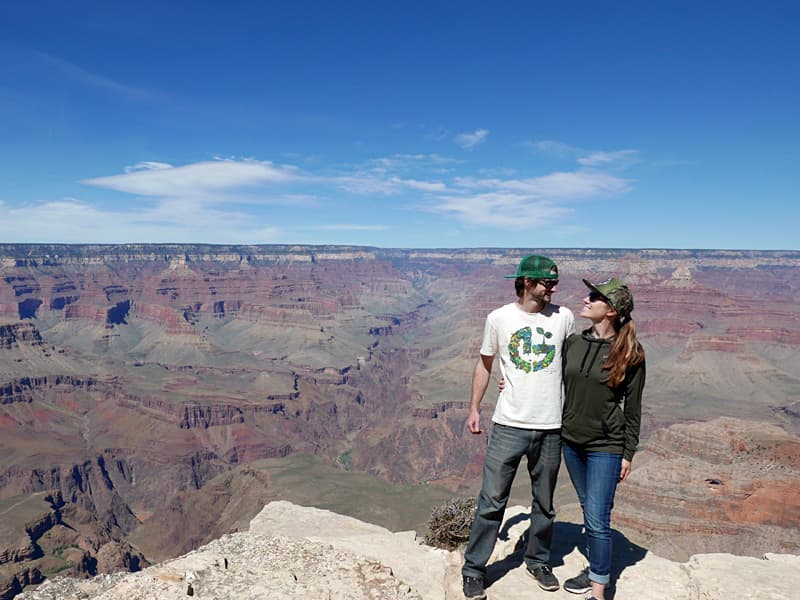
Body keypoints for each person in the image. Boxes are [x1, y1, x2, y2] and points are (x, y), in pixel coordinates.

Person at [461, 255, 575, 600]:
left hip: (551, 425)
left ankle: (538, 560)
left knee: (545, 502)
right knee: (492, 500)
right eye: (547, 283)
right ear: (527, 282)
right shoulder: (499, 318)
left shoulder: (564, 317)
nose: (553, 288)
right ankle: (473, 570)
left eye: (554, 282)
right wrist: (474, 409)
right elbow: (485, 364)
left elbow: (572, 366)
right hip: (509, 423)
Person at [560, 278, 645, 600]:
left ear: (610, 310)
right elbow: (548, 379)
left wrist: (628, 453)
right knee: (588, 508)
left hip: (605, 446)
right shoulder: (573, 343)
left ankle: (598, 593)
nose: (585, 299)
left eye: (594, 297)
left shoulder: (631, 353)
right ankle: (597, 566)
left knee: (597, 517)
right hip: (570, 441)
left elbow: (634, 408)